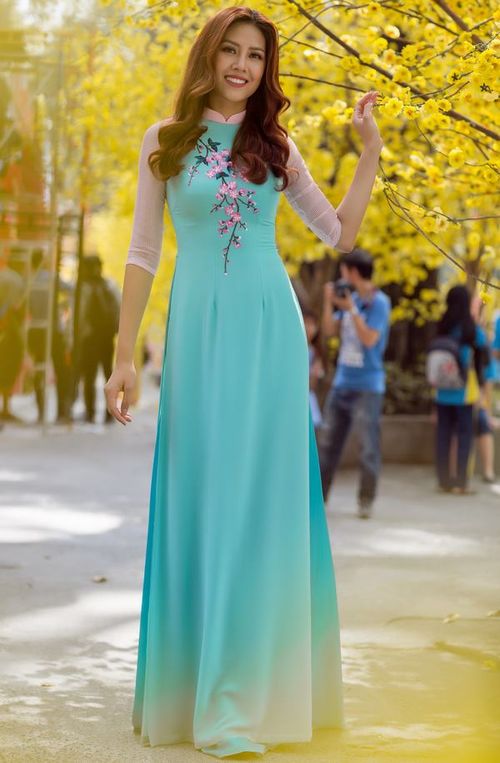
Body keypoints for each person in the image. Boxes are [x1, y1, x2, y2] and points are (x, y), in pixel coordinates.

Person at [104, 6, 383, 757]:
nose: (241, 65)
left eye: (255, 56)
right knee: (205, 492)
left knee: (261, 502)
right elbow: (142, 252)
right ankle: (192, 691)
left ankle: (247, 702)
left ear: (267, 70)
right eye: (230, 50)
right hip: (198, 335)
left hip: (268, 335)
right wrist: (124, 354)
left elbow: (339, 233)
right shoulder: (164, 142)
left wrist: (369, 153)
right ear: (207, 55)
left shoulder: (277, 147)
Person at [319, 249, 390, 519]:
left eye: (344, 271)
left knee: (368, 446)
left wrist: (351, 310)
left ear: (354, 272)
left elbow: (370, 339)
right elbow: (329, 331)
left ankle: (366, 500)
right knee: (328, 443)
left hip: (368, 386)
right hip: (342, 382)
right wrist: (329, 303)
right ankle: (319, 499)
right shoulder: (352, 299)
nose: (341, 276)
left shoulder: (379, 302)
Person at [433, 285, 486, 495]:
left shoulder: (442, 324)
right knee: (464, 436)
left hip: (442, 388)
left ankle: (443, 481)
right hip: (464, 390)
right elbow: (481, 357)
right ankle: (461, 482)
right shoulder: (470, 328)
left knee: (443, 434)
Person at [78, 255, 120, 424]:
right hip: (107, 337)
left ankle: (90, 413)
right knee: (108, 374)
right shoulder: (109, 285)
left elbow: (80, 314)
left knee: (89, 375)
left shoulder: (84, 287)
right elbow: (118, 308)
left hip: (90, 338)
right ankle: (110, 412)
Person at [303, 306, 325, 436]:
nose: (309, 328)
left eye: (312, 324)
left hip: (308, 402)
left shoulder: (315, 353)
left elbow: (311, 385)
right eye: (306, 322)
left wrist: (314, 374)